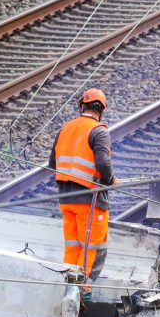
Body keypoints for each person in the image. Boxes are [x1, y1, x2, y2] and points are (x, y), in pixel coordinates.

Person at [50, 89, 116, 293]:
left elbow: (52, 163)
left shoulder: (65, 128)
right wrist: (111, 180)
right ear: (101, 111)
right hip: (90, 201)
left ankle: (66, 288)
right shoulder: (99, 131)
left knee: (73, 246)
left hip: (65, 199)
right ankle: (81, 293)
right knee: (92, 249)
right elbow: (103, 163)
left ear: (81, 107)